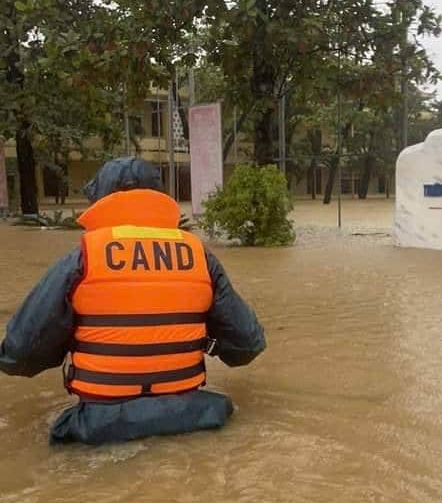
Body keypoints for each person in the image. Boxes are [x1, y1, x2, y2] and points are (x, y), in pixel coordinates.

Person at [0, 157, 266, 444]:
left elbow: (19, 354)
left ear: (102, 198)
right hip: (191, 419)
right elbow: (247, 345)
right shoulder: (200, 256)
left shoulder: (82, 258)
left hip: (100, 429)